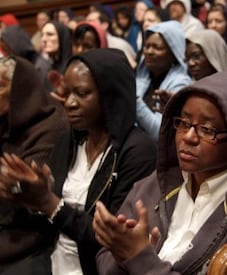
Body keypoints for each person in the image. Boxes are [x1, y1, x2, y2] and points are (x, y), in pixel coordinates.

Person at [93, 67, 227, 275]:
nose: (188, 137)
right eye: (183, 123)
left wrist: (140, 259)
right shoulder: (157, 182)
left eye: (206, 129)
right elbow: (105, 257)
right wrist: (122, 251)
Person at [0, 48, 157, 275]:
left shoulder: (138, 151)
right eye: (68, 93)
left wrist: (49, 203)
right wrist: (24, 191)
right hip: (50, 257)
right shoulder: (71, 138)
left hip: (94, 267)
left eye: (82, 93)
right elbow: (45, 206)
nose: (70, 103)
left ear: (109, 94)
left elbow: (113, 240)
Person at [0, 56, 68, 274]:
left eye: (0, 86)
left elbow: (24, 190)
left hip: (31, 236)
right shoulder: (5, 120)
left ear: (21, 89)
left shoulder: (51, 126)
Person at [136, 20, 192, 141]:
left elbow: (160, 133)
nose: (149, 52)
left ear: (173, 54)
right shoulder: (142, 77)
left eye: (157, 48)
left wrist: (135, 103)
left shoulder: (181, 83)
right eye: (147, 46)